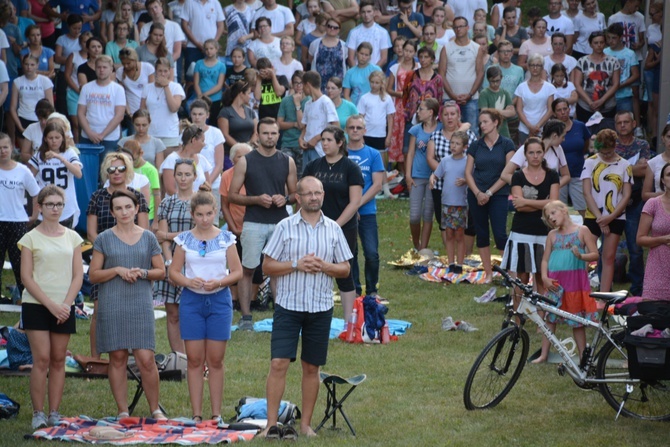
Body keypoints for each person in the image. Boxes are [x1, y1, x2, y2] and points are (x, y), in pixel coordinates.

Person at [260, 175, 353, 440]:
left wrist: (324, 266)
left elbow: (345, 268)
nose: (314, 197)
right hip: (289, 306)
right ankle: (270, 424)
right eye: (308, 193)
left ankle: (305, 425)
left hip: (321, 308)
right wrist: (295, 264)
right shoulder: (284, 227)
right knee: (278, 363)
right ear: (298, 197)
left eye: (318, 192)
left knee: (311, 368)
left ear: (323, 194)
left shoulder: (334, 229)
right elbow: (267, 266)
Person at [88, 189, 166, 420]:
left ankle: (155, 409)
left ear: (136, 209)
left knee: (146, 359)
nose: (124, 212)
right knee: (118, 357)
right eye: (119, 208)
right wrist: (116, 270)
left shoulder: (149, 237)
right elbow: (93, 275)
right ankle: (123, 410)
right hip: (112, 303)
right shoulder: (103, 238)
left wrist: (142, 272)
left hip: (140, 303)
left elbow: (161, 271)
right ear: (112, 212)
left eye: (128, 207)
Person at [169, 187, 242, 424]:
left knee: (216, 359)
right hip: (191, 301)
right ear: (192, 214)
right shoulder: (184, 240)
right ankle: (197, 414)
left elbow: (238, 272)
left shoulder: (225, 238)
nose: (204, 219)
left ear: (216, 212)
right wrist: (189, 281)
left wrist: (219, 281)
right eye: (200, 214)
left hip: (219, 301)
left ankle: (216, 414)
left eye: (209, 214)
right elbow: (173, 272)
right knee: (194, 359)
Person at [18, 185, 83, 429]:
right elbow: (27, 277)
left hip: (64, 306)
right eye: (50, 204)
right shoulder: (30, 238)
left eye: (59, 204)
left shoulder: (73, 237)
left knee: (58, 360)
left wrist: (65, 305)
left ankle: (55, 411)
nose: (55, 209)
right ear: (40, 207)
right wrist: (51, 306)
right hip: (37, 304)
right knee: (42, 359)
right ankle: (38, 412)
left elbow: (78, 276)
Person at [228, 118, 298, 330]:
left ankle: (281, 314)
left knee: (279, 270)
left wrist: (284, 199)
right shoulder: (246, 161)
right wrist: (256, 199)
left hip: (280, 222)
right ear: (257, 135)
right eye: (265, 133)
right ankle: (246, 316)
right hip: (253, 222)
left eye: (273, 133)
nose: (270, 137)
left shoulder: (287, 161)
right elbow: (232, 195)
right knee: (247, 269)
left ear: (279, 135)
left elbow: (295, 194)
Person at [86, 153, 149, 357]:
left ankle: (130, 352)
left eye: (121, 168)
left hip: (135, 259)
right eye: (111, 169)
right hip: (103, 258)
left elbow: (145, 231)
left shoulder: (136, 196)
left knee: (133, 311)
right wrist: (106, 252)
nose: (116, 173)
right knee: (99, 310)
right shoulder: (97, 196)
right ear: (106, 172)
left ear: (128, 170)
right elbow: (91, 232)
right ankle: (96, 359)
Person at [302, 126, 362, 321]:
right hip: (313, 226)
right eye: (323, 140)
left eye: (329, 140)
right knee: (312, 266)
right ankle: (310, 314)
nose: (325, 144)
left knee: (344, 272)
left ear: (340, 142)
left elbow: (355, 202)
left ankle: (348, 321)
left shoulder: (350, 168)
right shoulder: (313, 166)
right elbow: (303, 195)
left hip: (343, 226)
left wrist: (335, 225)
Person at [536, 200, 599, 363]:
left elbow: (595, 254)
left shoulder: (582, 230)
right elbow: (545, 259)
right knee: (550, 319)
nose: (551, 218)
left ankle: (583, 356)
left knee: (577, 322)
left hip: (575, 284)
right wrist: (544, 277)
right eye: (548, 217)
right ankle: (543, 354)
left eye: (553, 213)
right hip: (554, 284)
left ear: (564, 210)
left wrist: (581, 256)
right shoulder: (552, 235)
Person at [501, 137, 560, 298]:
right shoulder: (518, 176)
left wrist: (527, 201)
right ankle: (518, 317)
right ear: (525, 155)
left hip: (544, 231)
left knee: (541, 277)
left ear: (543, 154)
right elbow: (518, 206)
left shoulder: (552, 175)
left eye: (539, 152)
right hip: (522, 231)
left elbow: (554, 205)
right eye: (531, 153)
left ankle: (540, 319)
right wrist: (544, 204)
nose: (535, 156)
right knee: (522, 278)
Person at [465, 109, 516, 282]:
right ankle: (488, 273)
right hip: (476, 194)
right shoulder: (476, 145)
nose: (482, 125)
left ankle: (509, 272)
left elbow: (508, 172)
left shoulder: (507, 144)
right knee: (482, 232)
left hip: (499, 194)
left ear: (495, 122)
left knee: (500, 233)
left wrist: (489, 192)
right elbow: (468, 173)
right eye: (480, 122)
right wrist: (478, 193)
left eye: (485, 121)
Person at [581, 129, 632, 294]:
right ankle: (579, 291)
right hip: (593, 214)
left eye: (609, 152)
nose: (607, 155)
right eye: (603, 152)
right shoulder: (590, 162)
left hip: (616, 215)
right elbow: (587, 192)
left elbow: (626, 195)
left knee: (608, 257)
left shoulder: (625, 165)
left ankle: (603, 297)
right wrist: (600, 218)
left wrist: (610, 217)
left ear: (615, 146)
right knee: (585, 253)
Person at [154, 159, 196, 354]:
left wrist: (170, 235)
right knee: (172, 313)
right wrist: (169, 263)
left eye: (187, 174)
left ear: (195, 176)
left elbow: (198, 233)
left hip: (195, 262)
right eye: (179, 174)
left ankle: (193, 356)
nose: (183, 178)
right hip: (171, 260)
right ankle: (179, 358)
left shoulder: (200, 201)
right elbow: (161, 238)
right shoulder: (166, 202)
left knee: (191, 312)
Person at [427, 102, 477, 252]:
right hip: (442, 186)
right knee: (445, 222)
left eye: (453, 114)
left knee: (469, 221)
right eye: (446, 114)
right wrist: (446, 173)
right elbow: (430, 158)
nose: (449, 117)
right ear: (441, 117)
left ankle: (465, 256)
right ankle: (451, 257)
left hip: (465, 186)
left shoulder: (470, 135)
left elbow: (475, 158)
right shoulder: (435, 136)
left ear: (459, 116)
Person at [346, 115, 384, 298]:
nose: (355, 130)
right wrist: (350, 209)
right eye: (351, 127)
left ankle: (372, 290)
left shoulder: (373, 154)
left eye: (358, 128)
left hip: (367, 212)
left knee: (371, 253)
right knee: (350, 252)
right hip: (345, 212)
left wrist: (357, 205)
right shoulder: (341, 154)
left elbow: (377, 185)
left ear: (364, 131)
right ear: (346, 130)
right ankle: (354, 290)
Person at [613, 110, 650, 297]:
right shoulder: (611, 145)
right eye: (619, 123)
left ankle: (637, 289)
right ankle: (605, 288)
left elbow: (645, 170)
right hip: (612, 203)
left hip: (635, 203)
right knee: (607, 248)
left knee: (635, 247)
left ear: (634, 123)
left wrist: (619, 169)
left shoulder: (642, 144)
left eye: (626, 122)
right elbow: (606, 170)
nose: (623, 125)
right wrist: (633, 168)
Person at [0, 131, 39, 300]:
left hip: (18, 221)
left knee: (20, 263)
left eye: (5, 147)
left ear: (11, 149)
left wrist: (35, 214)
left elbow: (36, 193)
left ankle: (26, 297)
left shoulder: (23, 171)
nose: (2, 151)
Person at [28, 122, 82, 228]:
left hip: (66, 205)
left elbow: (78, 174)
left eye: (57, 137)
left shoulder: (69, 153)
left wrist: (59, 158)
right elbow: (29, 178)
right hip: (45, 204)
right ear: (45, 139)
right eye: (50, 138)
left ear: (63, 138)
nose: (54, 141)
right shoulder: (39, 155)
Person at [439, 16, 485, 134]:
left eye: (461, 26)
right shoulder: (446, 48)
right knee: (449, 131)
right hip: (449, 98)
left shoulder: (476, 48)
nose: (458, 29)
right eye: (456, 27)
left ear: (468, 28)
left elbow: (480, 73)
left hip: (471, 99)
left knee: (472, 131)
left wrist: (470, 94)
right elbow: (441, 74)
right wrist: (453, 95)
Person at [429, 130, 469, 265]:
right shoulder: (445, 161)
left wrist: (465, 180)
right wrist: (432, 178)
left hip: (460, 203)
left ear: (464, 147)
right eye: (452, 143)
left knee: (459, 234)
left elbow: (473, 178)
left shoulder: (468, 161)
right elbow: (436, 174)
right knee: (449, 233)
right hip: (446, 203)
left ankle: (460, 263)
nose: (453, 146)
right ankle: (451, 262)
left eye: (457, 144)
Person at [406, 98, 440, 251]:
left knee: (428, 214)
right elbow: (411, 152)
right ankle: (416, 245)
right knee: (414, 215)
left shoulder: (441, 128)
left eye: (421, 109)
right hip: (417, 176)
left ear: (431, 112)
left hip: (434, 176)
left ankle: (423, 249)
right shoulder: (416, 129)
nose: (418, 112)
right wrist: (408, 174)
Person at [77, 55, 126, 155]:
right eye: (99, 67)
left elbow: (119, 115)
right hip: (87, 136)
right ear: (95, 69)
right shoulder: (86, 88)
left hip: (110, 137)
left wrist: (103, 134)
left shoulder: (118, 89)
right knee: (87, 168)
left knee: (107, 169)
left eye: (105, 67)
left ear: (111, 69)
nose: (101, 70)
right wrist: (90, 133)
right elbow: (80, 113)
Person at [501, 119, 570, 187]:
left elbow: (566, 175)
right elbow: (505, 175)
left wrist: (553, 187)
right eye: (563, 137)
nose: (564, 140)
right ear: (554, 136)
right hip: (528, 195)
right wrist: (525, 186)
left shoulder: (558, 148)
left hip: (550, 196)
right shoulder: (527, 147)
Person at [636, 162, 670, 302]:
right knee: (652, 319)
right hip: (657, 269)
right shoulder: (653, 204)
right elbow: (640, 239)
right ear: (662, 180)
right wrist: (663, 239)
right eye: (669, 175)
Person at [140, 57, 185, 156]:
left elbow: (174, 108)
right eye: (160, 71)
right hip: (151, 133)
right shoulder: (147, 88)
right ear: (156, 71)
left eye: (165, 71)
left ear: (169, 71)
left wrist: (166, 86)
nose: (163, 74)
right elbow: (142, 112)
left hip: (169, 134)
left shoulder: (176, 87)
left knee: (167, 165)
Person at [553, 98, 590, 217]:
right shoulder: (552, 129)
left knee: (583, 208)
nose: (563, 112)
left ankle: (586, 233)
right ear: (554, 113)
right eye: (559, 110)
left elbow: (586, 144)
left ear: (569, 110)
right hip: (558, 175)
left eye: (565, 109)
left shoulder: (580, 126)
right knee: (558, 209)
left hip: (578, 172)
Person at [573, 31, 620, 123]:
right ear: (590, 44)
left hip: (607, 106)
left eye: (601, 42)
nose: (599, 45)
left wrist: (602, 101)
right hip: (585, 106)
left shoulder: (613, 61)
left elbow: (616, 84)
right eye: (596, 43)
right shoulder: (582, 61)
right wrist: (590, 102)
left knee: (607, 134)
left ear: (605, 44)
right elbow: (577, 84)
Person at [299, 70, 339, 167]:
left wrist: (317, 138)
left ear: (308, 85)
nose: (302, 89)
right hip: (307, 148)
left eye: (303, 85)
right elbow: (305, 126)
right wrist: (301, 138)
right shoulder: (308, 104)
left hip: (321, 150)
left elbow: (335, 126)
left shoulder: (326, 102)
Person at [160, 124, 214, 196]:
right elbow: (170, 190)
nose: (204, 144)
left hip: (199, 204)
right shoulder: (171, 160)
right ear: (194, 140)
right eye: (202, 141)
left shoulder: (202, 159)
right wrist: (190, 199)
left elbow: (208, 187)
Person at [514, 53, 556, 144]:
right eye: (532, 65)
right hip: (524, 129)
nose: (535, 68)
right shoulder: (521, 87)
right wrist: (529, 127)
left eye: (538, 65)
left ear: (542, 67)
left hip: (543, 129)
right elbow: (519, 109)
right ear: (528, 67)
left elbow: (550, 110)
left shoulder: (549, 87)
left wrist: (537, 127)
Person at [387, 39, 417, 167]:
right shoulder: (394, 67)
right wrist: (400, 94)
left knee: (409, 135)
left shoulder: (418, 68)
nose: (407, 54)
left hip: (414, 106)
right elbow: (388, 89)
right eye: (406, 50)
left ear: (414, 52)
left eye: (411, 51)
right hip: (399, 106)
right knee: (398, 135)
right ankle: (399, 170)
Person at [10, 55, 53, 140]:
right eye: (26, 64)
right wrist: (20, 127)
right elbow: (12, 108)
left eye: (32, 65)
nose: (29, 67)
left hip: (41, 120)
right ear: (23, 65)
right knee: (25, 152)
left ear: (37, 65)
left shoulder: (45, 81)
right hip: (23, 119)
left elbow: (51, 105)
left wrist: (46, 122)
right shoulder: (17, 82)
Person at [180, 0, 224, 83]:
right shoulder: (189, 2)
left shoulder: (215, 3)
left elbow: (221, 25)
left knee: (211, 77)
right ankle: (191, 96)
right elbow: (184, 24)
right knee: (191, 78)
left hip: (211, 49)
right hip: (192, 47)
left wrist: (213, 43)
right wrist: (196, 43)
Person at [357, 70, 395, 165]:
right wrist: (360, 135)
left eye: (377, 82)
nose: (374, 85)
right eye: (372, 82)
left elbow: (390, 118)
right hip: (367, 134)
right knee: (366, 160)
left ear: (382, 83)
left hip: (381, 135)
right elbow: (360, 118)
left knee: (381, 162)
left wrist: (389, 136)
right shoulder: (364, 98)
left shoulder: (387, 98)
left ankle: (382, 180)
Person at [190, 99, 225, 199]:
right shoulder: (185, 133)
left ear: (207, 115)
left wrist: (207, 184)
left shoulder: (216, 133)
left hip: (213, 185)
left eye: (200, 114)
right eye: (194, 114)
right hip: (191, 186)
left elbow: (219, 165)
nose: (197, 117)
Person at [604, 23, 639, 120]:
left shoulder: (629, 54)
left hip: (624, 95)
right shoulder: (605, 52)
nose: (610, 41)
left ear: (621, 37)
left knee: (625, 123)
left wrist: (620, 85)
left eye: (614, 38)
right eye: (608, 37)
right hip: (607, 95)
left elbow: (635, 74)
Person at [116, 47, 155, 132]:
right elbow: (122, 94)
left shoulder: (148, 68)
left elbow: (152, 91)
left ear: (135, 60)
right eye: (123, 63)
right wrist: (129, 112)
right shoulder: (120, 72)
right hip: (131, 111)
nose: (126, 66)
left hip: (148, 110)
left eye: (128, 63)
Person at [218, 81, 258, 163]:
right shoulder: (225, 112)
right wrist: (240, 148)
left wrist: (249, 146)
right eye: (248, 93)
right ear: (241, 94)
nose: (250, 97)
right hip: (231, 154)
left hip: (250, 153)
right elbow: (225, 135)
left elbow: (256, 131)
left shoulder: (250, 111)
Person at [277, 71, 308, 177]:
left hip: (303, 145)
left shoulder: (310, 101)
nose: (298, 86)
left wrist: (297, 104)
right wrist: (294, 124)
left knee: (301, 177)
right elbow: (279, 124)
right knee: (285, 175)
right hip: (287, 144)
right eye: (296, 83)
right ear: (292, 84)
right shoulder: (285, 101)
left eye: (301, 83)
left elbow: (302, 125)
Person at [63, 31, 90, 143]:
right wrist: (77, 89)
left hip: (90, 95)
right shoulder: (73, 55)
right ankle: (77, 147)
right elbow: (67, 75)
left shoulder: (97, 58)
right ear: (80, 43)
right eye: (84, 41)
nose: (86, 44)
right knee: (76, 124)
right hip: (74, 93)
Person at [345, 1, 391, 68]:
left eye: (369, 11)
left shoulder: (383, 32)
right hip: (358, 73)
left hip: (375, 74)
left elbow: (384, 59)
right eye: (363, 12)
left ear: (374, 12)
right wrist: (357, 73)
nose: (366, 15)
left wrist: (372, 72)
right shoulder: (353, 32)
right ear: (360, 13)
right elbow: (350, 58)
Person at [308, 16, 347, 92]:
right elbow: (310, 59)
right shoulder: (315, 44)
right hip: (319, 85)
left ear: (339, 30)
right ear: (325, 27)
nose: (332, 29)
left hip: (338, 86)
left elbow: (346, 62)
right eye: (329, 26)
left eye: (335, 27)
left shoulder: (344, 46)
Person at [478, 66, 515, 139]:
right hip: (488, 131)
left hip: (503, 130)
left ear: (501, 78)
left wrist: (493, 111)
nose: (495, 84)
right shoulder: (484, 93)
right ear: (488, 80)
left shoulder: (505, 93)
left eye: (497, 81)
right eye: (492, 81)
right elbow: (484, 112)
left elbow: (512, 112)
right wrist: (504, 112)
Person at [642, 124, 670, 201]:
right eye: (669, 137)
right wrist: (665, 195)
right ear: (663, 138)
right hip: (660, 205)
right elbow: (645, 195)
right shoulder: (653, 162)